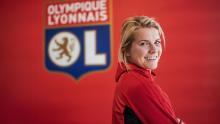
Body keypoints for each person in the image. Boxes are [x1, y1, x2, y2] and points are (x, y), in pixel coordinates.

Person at [112, 16, 185, 124]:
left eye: (156, 42)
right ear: (126, 50)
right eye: (143, 43)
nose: (154, 50)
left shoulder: (129, 78)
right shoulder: (138, 84)